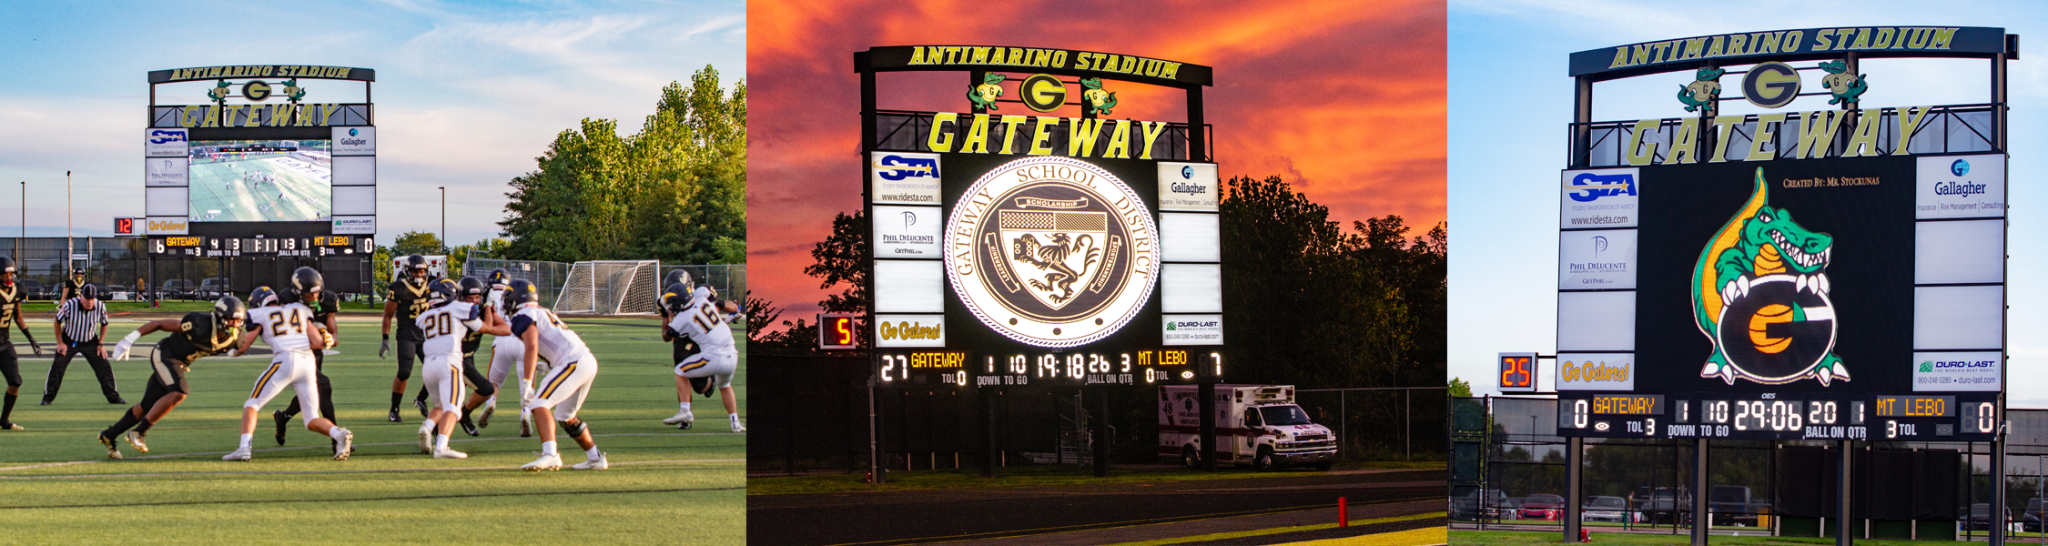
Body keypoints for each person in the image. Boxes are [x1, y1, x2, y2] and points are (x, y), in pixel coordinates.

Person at [100, 297, 246, 459]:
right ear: (219, 318)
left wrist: (238, 351)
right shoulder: (200, 323)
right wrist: (131, 338)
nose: (235, 325)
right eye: (231, 320)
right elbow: (160, 324)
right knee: (180, 391)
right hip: (164, 354)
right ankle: (139, 432)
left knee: (146, 406)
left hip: (179, 363)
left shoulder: (236, 339)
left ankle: (109, 435)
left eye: (238, 321)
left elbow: (246, 342)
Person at [223, 284, 352, 461]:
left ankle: (244, 448)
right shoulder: (299, 309)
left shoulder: (259, 314)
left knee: (252, 404)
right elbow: (316, 343)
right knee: (311, 419)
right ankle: (339, 434)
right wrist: (326, 335)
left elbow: (245, 345)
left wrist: (232, 351)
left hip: (285, 360)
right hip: (308, 364)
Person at [500, 279, 606, 471]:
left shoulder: (523, 315)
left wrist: (527, 382)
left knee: (538, 403)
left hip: (573, 362)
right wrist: (549, 365)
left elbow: (532, 345)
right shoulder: (543, 311)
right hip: (585, 360)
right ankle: (595, 458)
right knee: (566, 416)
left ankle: (550, 454)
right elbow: (553, 343)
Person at [414, 278, 484, 458]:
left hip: (429, 366)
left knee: (439, 405)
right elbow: (476, 320)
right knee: (453, 408)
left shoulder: (424, 316)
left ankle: (427, 427)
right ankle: (441, 447)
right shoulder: (458, 308)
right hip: (449, 362)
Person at [273, 267, 343, 448]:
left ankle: (283, 417)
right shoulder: (287, 300)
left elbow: (333, 329)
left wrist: (330, 338)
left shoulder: (327, 299)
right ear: (297, 293)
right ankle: (337, 439)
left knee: (311, 391)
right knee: (324, 386)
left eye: (317, 293)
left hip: (315, 353)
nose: (314, 298)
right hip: (295, 352)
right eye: (309, 294)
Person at [664, 283, 745, 433]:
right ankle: (735, 423)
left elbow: (669, 334)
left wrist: (669, 315)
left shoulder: (682, 318)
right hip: (732, 355)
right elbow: (707, 291)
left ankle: (685, 411)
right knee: (725, 386)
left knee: (680, 371)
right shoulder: (700, 296)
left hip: (714, 356)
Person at [479, 269, 538, 437]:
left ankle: (491, 402)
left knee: (493, 383)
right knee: (526, 385)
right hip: (523, 340)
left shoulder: (489, 295)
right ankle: (525, 412)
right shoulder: (516, 294)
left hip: (502, 341)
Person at [42, 284, 120, 405]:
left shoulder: (100, 306)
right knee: (58, 365)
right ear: (81, 297)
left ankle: (113, 397)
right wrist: (60, 343)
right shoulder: (69, 305)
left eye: (92, 299)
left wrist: (101, 343)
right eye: (87, 298)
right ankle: (48, 397)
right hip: (69, 340)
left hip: (90, 341)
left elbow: (104, 323)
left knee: (104, 365)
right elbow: (57, 322)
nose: (89, 302)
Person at [381, 254, 432, 422]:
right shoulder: (399, 288)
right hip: (406, 335)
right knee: (404, 372)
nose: (419, 275)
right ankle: (394, 409)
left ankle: (421, 399)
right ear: (408, 272)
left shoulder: (432, 286)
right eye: (415, 272)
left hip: (427, 336)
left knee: (437, 371)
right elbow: (388, 315)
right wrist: (385, 339)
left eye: (421, 271)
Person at [449, 276, 502, 436]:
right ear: (460, 297)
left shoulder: (483, 309)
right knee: (483, 390)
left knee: (454, 399)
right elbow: (488, 328)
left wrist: (488, 310)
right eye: (469, 298)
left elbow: (506, 329)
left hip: (467, 357)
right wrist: (486, 325)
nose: (474, 301)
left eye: (477, 297)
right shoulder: (456, 311)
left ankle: (443, 425)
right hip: (455, 359)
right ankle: (438, 428)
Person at [0, 257, 41, 430]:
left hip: (4, 343)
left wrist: (31, 339)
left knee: (15, 381)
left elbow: (18, 318)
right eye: (6, 274)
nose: (10, 277)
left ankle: (4, 420)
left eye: (12, 273)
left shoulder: (17, 291)